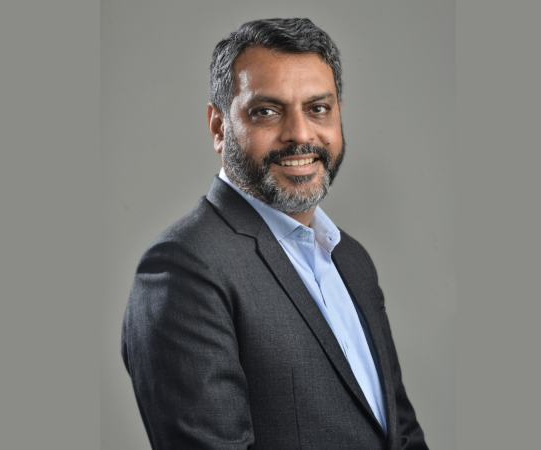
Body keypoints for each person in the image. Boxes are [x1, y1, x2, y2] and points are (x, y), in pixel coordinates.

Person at [122, 18, 428, 450]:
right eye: (266, 111)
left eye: (318, 108)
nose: (300, 134)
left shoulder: (351, 259)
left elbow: (401, 433)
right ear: (218, 127)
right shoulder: (183, 270)